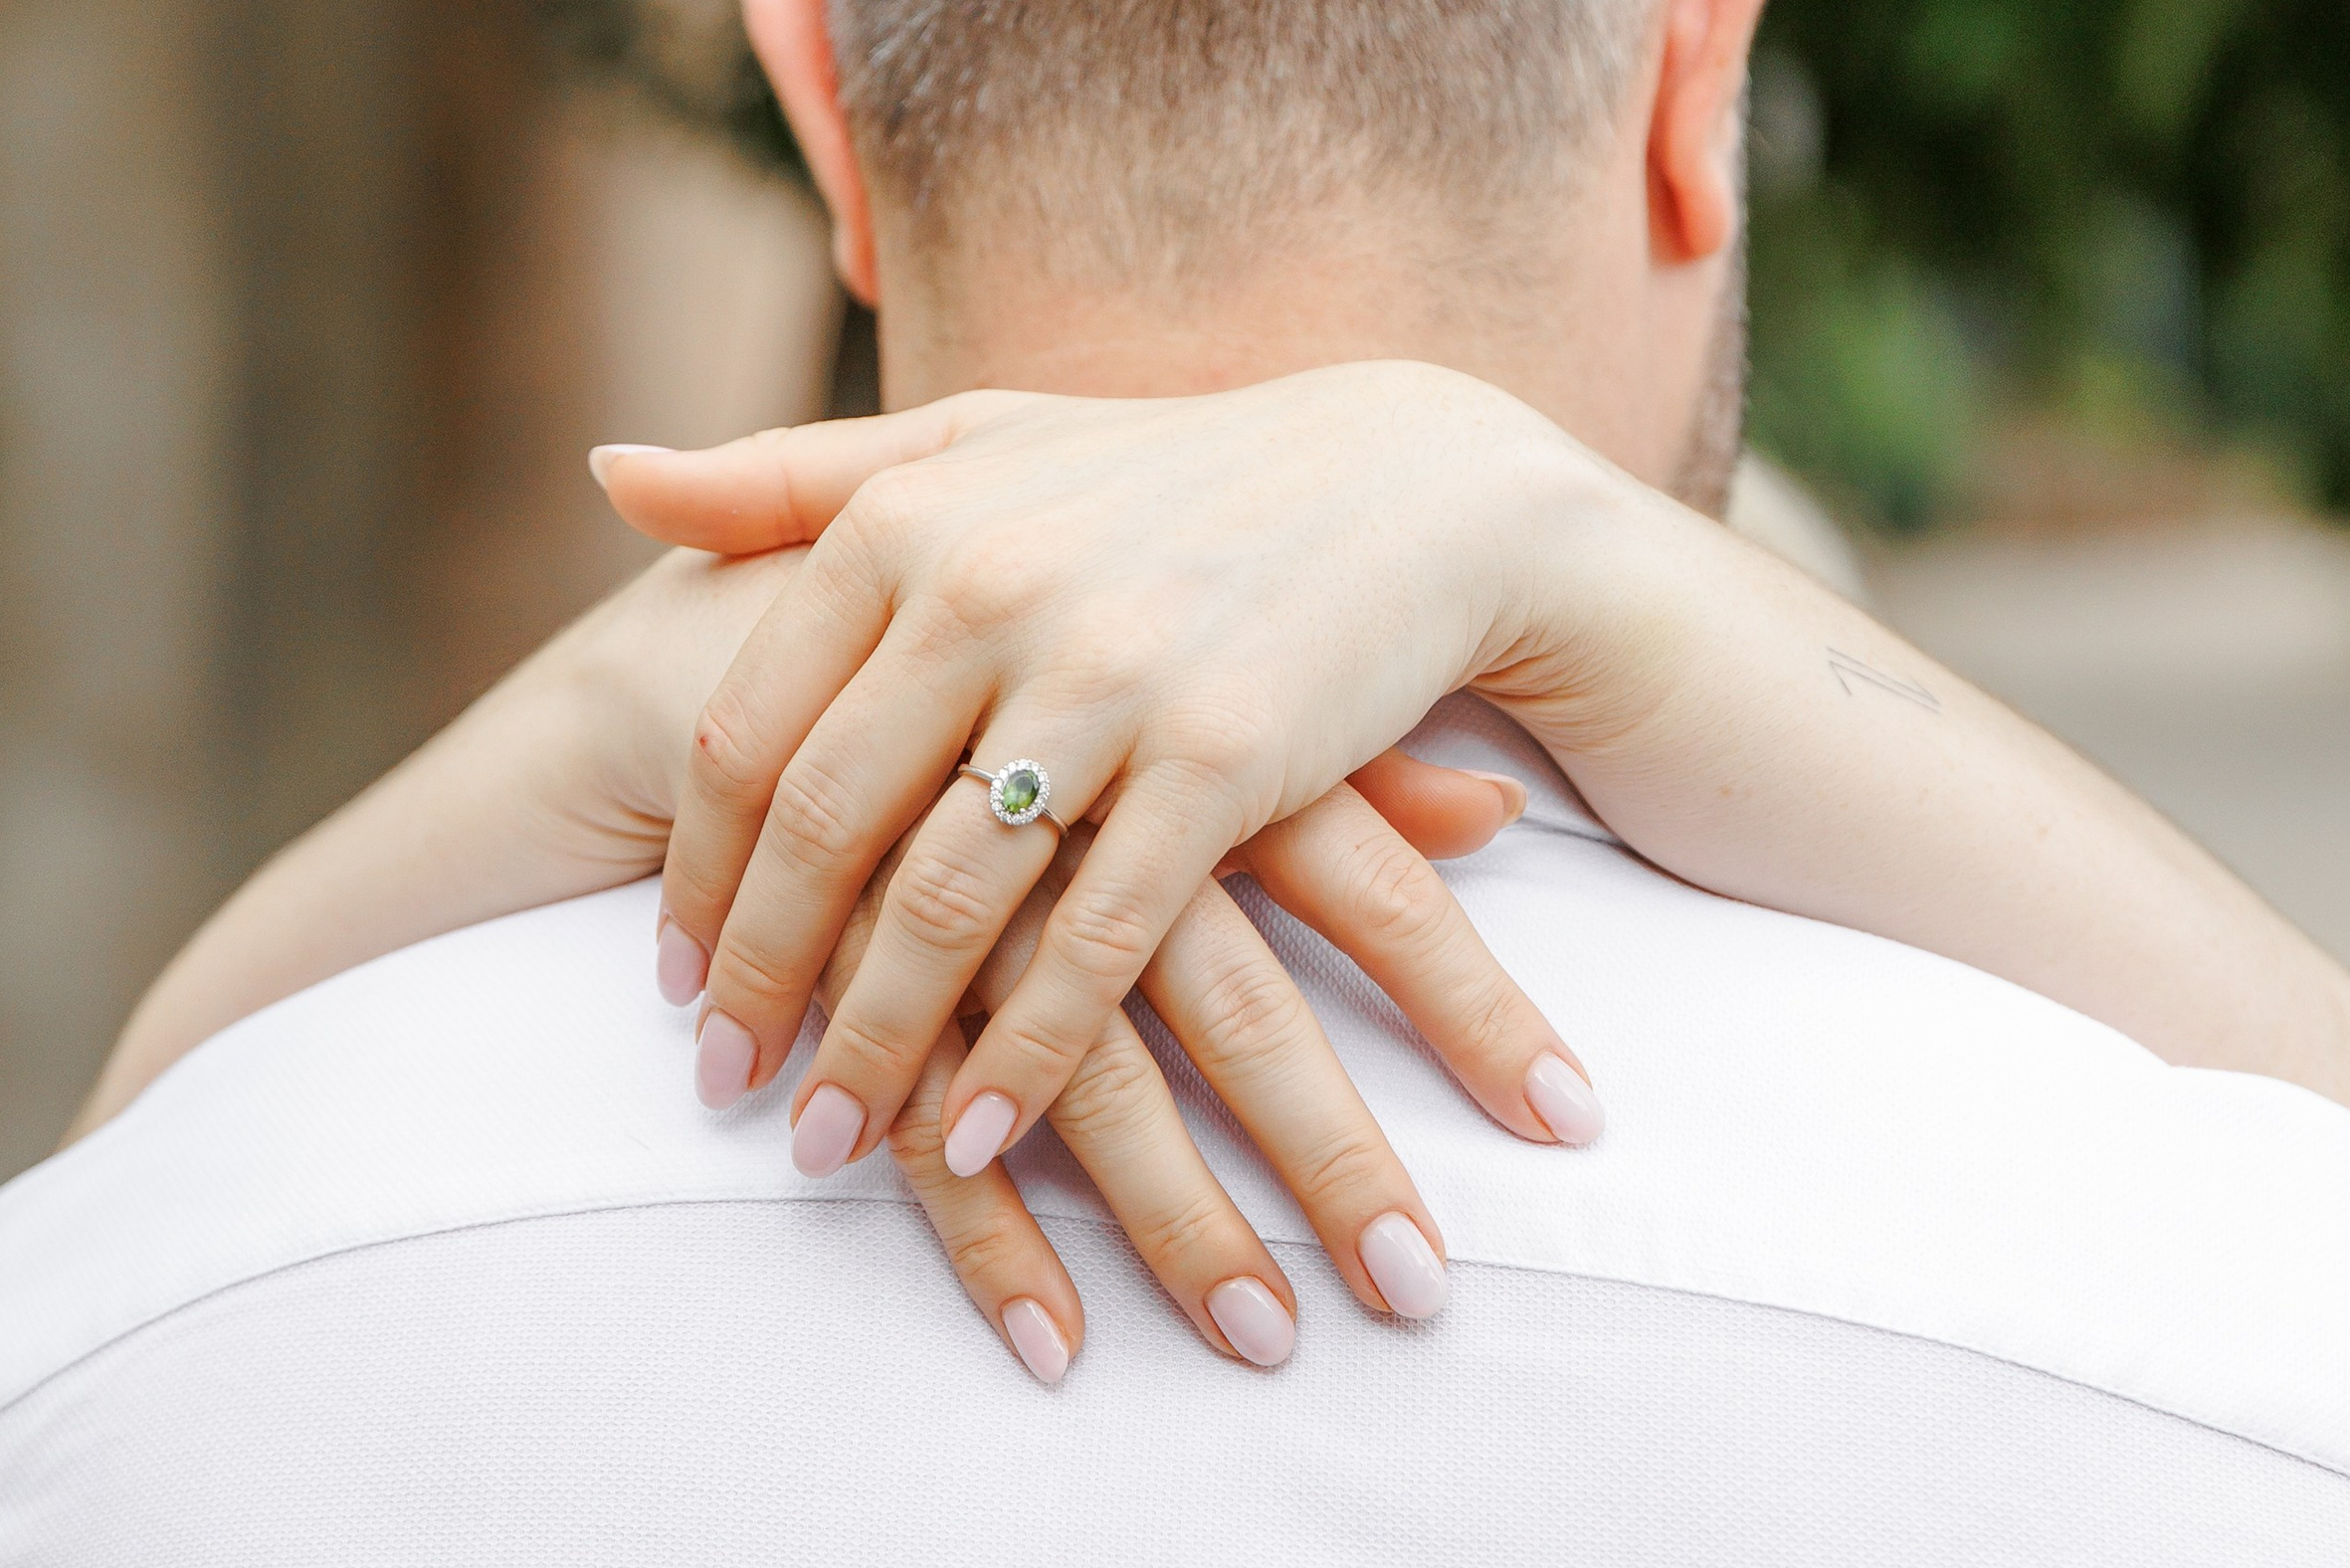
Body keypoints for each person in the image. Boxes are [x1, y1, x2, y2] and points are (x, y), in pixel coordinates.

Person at [6, 0, 2348, 1558]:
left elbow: (109, 1230)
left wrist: (602, 709)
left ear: (814, 99)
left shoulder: (134, 1323)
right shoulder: (2233, 1328)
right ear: (1689, 84)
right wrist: (1591, 565)